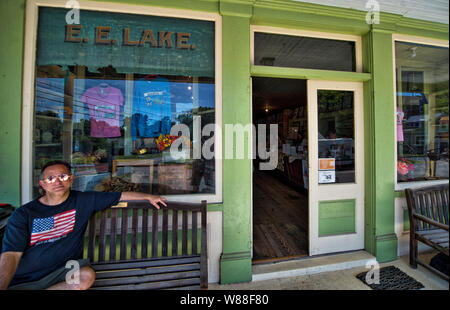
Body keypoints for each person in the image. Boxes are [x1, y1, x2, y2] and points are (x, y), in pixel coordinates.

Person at [0, 160, 167, 290]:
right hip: (26, 278)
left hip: (63, 271)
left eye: (63, 176)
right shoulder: (24, 214)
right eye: (50, 178)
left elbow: (120, 195)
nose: (57, 182)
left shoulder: (83, 200)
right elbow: (11, 255)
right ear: (42, 184)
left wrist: (148, 196)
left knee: (86, 275)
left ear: (71, 179)